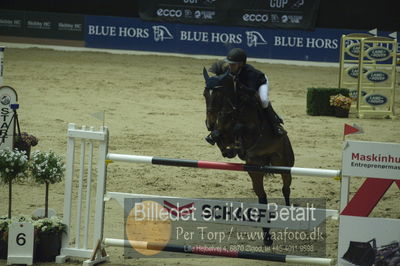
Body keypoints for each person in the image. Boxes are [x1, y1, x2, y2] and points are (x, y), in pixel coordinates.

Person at [225, 47, 286, 136]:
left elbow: (252, 92)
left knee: (264, 100)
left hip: (260, 83)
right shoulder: (230, 70)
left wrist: (239, 85)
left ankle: (275, 124)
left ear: (241, 64)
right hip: (246, 86)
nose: (230, 66)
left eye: (233, 64)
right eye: (229, 64)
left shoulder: (250, 73)